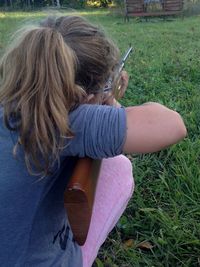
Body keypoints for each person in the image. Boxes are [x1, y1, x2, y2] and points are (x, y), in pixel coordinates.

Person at [0, 15, 186, 267]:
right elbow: (172, 124)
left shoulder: (12, 107)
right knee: (118, 167)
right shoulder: (65, 122)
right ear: (86, 98)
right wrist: (109, 99)